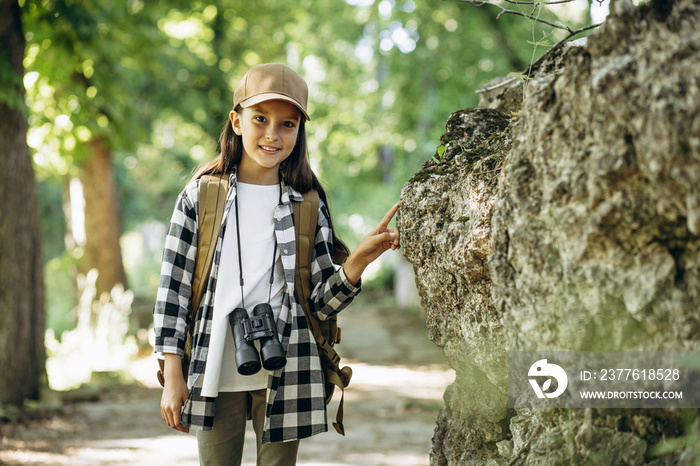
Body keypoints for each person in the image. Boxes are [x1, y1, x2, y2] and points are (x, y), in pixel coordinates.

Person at [153, 62, 400, 466]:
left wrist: (356, 263)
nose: (273, 134)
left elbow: (319, 304)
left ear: (299, 132)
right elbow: (172, 291)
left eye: (287, 124)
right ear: (236, 121)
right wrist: (173, 376)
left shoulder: (307, 205)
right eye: (260, 119)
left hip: (289, 369)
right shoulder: (200, 197)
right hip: (214, 369)